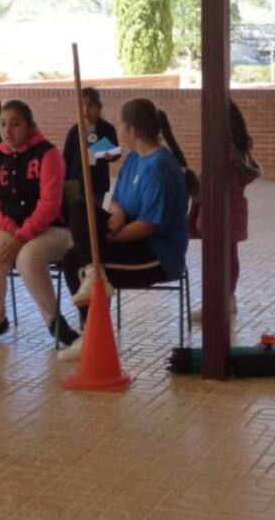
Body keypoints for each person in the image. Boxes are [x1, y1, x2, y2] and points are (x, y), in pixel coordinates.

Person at [59, 98, 190, 361]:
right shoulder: (133, 157)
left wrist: (110, 236)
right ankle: (94, 277)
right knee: (79, 209)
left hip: (155, 253)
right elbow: (117, 200)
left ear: (132, 129)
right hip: (125, 232)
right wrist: (117, 214)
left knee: (76, 261)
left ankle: (93, 334)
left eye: (123, 125)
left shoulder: (160, 166)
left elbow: (149, 224)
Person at [0, 100, 78, 346]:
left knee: (28, 258)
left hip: (53, 228)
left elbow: (50, 206)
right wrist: (12, 230)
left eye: (15, 124)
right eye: (3, 124)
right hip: (11, 225)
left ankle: (55, 322)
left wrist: (22, 236)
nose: (8, 131)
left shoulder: (48, 154)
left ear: (29, 126)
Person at [189, 101, 261, 318]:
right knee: (229, 256)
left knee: (216, 259)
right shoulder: (236, 144)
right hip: (233, 207)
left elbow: (214, 179)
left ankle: (216, 303)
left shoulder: (222, 146)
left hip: (220, 210)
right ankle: (227, 298)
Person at [62, 86, 119, 209]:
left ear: (98, 107)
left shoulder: (107, 129)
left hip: (97, 184)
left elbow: (115, 153)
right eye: (81, 105)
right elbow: (66, 158)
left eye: (89, 105)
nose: (85, 110)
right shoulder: (74, 131)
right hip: (76, 182)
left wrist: (110, 154)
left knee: (94, 214)